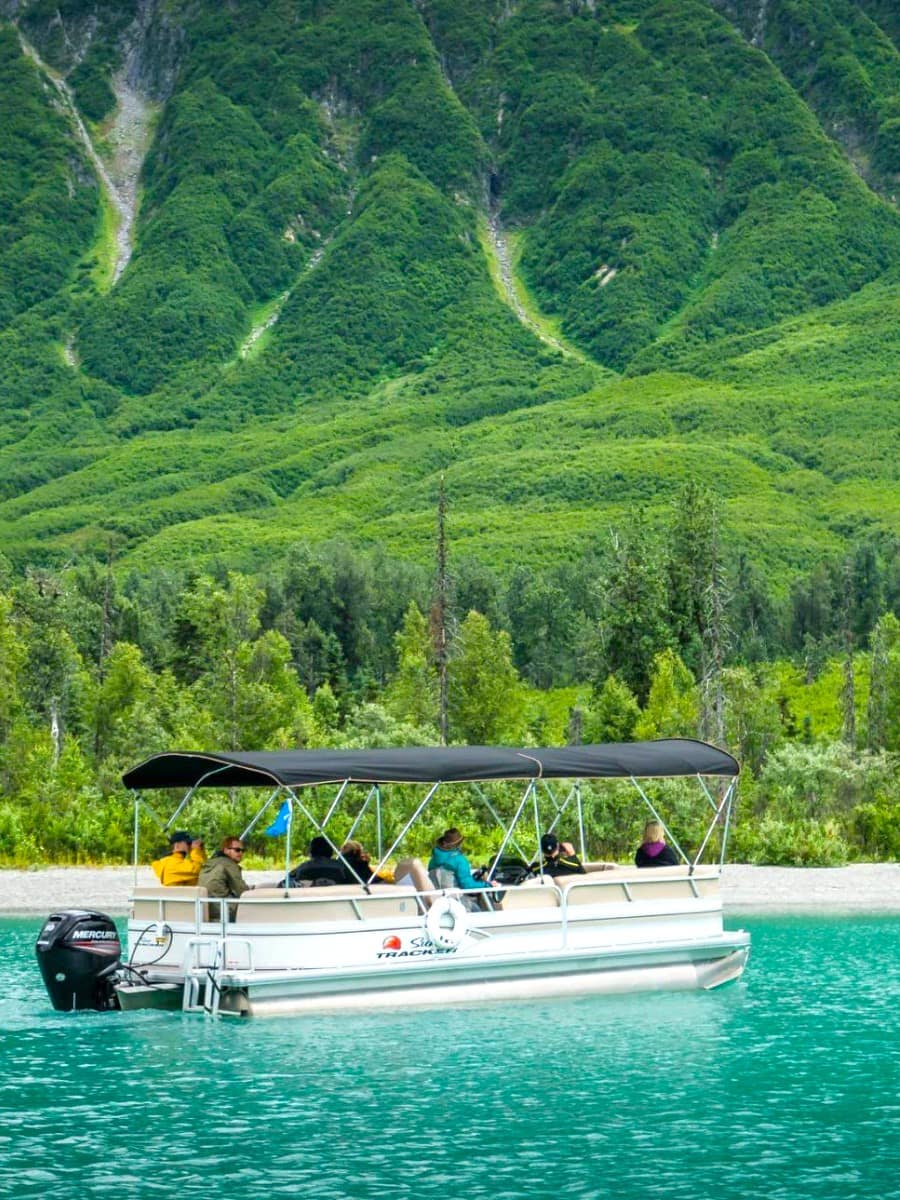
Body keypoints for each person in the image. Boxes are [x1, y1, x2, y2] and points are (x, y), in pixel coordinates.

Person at [428, 828, 500, 897]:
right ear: (459, 844)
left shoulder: (433, 859)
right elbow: (468, 886)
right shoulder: (460, 860)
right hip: (456, 899)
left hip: (436, 899)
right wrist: (488, 885)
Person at [199, 837, 252, 917]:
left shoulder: (210, 862)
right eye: (237, 850)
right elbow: (242, 890)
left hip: (203, 908)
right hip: (223, 909)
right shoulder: (229, 864)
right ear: (226, 850)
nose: (240, 853)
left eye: (243, 850)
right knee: (256, 907)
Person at [280, 835, 346, 887]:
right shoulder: (341, 867)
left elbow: (285, 883)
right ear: (331, 851)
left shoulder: (303, 868)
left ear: (311, 852)